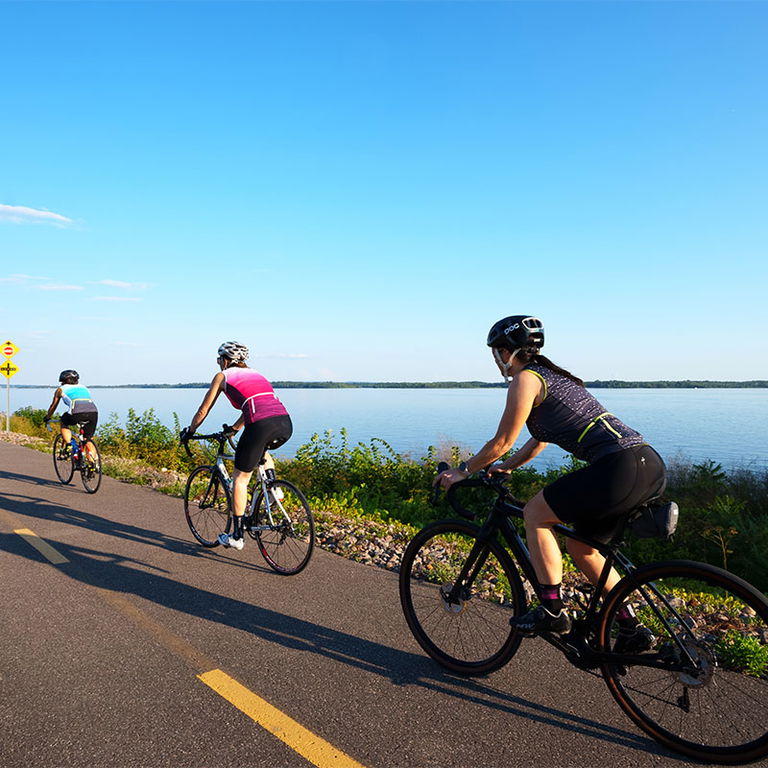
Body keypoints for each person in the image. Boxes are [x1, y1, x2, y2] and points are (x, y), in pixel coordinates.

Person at [437, 315, 666, 649]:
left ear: (505, 352)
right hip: (647, 464)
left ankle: (552, 609)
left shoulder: (526, 379)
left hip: (619, 467)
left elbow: (503, 439)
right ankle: (631, 627)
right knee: (582, 547)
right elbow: (537, 441)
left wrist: (463, 470)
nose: (496, 360)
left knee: (535, 514)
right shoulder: (553, 377)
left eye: (496, 353)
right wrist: (507, 467)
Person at [181, 342, 293, 551]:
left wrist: (190, 431)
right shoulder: (256, 373)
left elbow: (203, 410)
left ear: (225, 360)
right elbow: (255, 404)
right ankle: (273, 487)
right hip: (284, 422)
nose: (217, 363)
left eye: (218, 359)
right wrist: (234, 428)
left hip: (260, 425)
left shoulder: (222, 377)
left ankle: (237, 535)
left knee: (240, 479)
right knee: (262, 450)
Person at [44, 370, 99, 463]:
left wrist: (47, 417)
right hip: (93, 412)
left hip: (76, 412)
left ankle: (68, 444)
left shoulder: (60, 389)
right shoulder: (84, 388)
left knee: (63, 421)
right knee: (88, 439)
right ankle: (92, 465)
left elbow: (53, 406)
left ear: (63, 380)